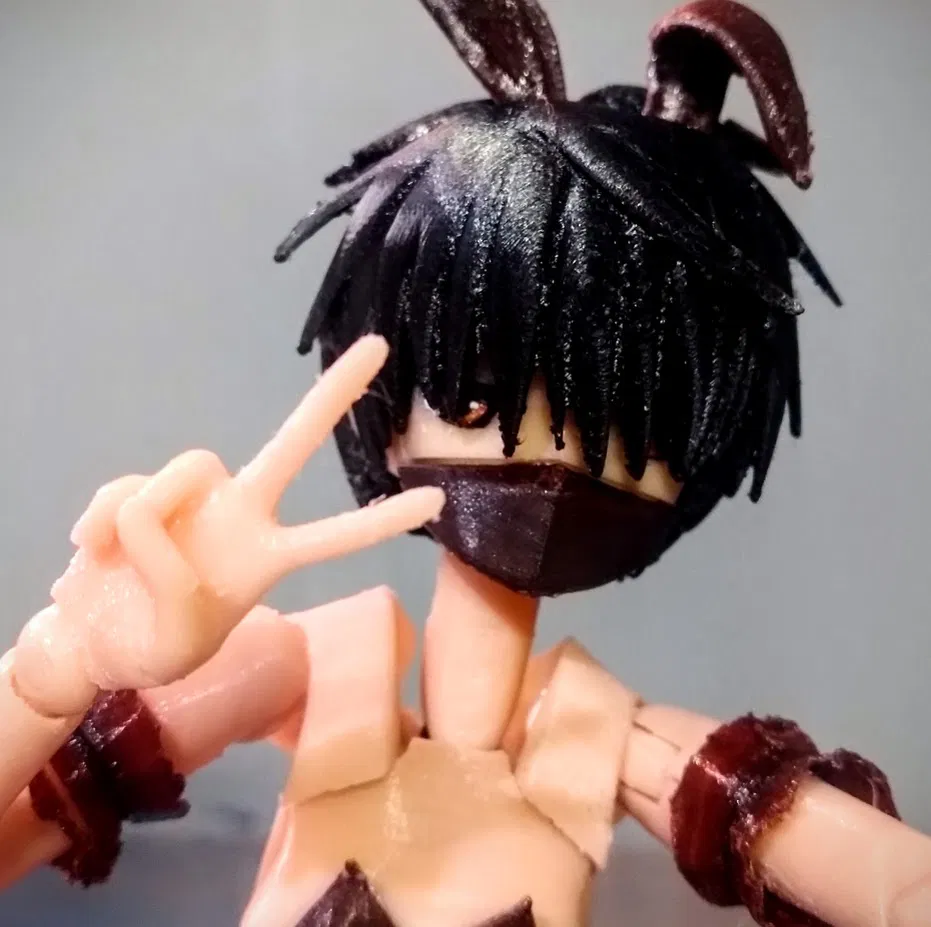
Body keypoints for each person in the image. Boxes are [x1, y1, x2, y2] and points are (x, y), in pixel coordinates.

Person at [2, 2, 928, 925]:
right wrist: (61, 663)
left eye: (629, 434)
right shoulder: (312, 672)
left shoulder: (600, 738)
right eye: (474, 402)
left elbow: (890, 885)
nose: (543, 466)